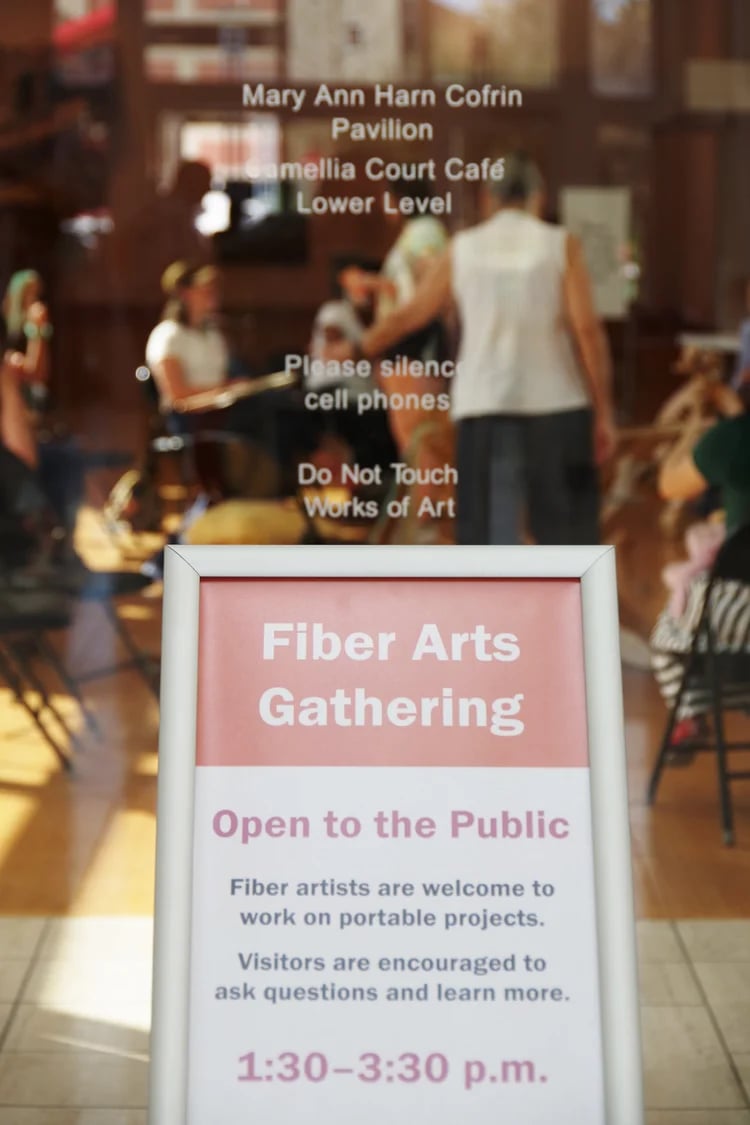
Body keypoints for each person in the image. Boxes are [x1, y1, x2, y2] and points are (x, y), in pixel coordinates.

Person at [333, 153, 616, 545]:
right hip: (556, 405)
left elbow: (411, 315)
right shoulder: (561, 246)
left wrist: (357, 349)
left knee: (488, 541)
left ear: (487, 198)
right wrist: (603, 412)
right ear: (538, 196)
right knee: (562, 541)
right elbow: (587, 330)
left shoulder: (462, 249)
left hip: (484, 406)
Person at [651, 412, 750, 750]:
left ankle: (689, 716)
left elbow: (669, 486)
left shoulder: (732, 437)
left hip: (739, 605)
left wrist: (692, 436)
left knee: (669, 633)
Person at [1, 269, 52, 414]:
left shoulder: (38, 319)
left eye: (37, 294)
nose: (34, 299)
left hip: (27, 391)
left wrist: (37, 329)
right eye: (29, 293)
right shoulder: (5, 320)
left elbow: (38, 371)